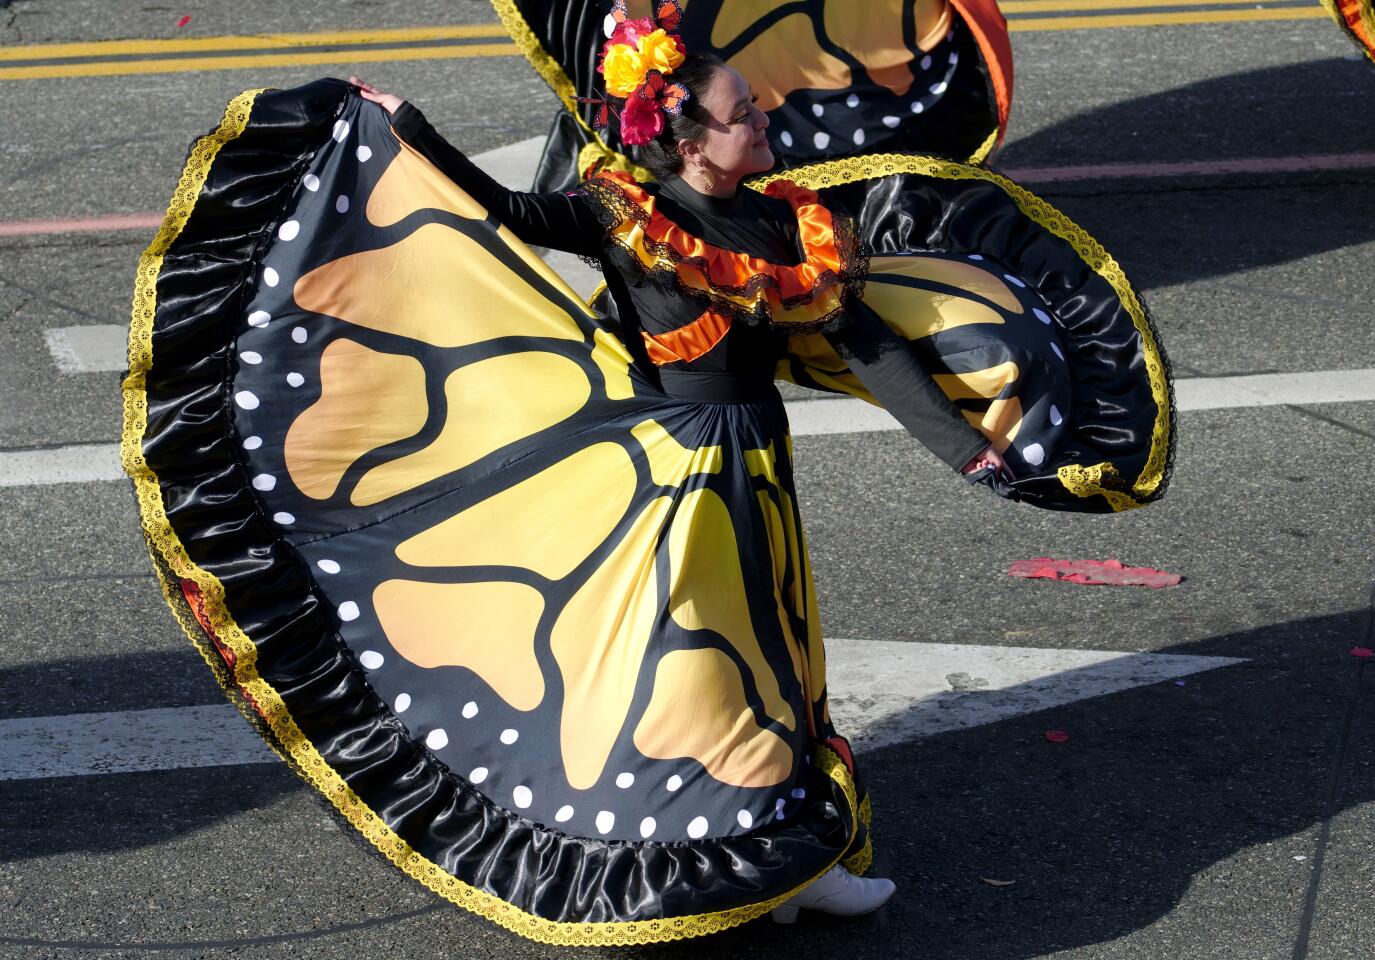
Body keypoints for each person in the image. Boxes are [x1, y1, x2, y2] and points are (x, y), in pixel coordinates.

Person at [343, 31, 1005, 924]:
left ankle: (786, 864)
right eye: (743, 114)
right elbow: (502, 210)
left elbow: (869, 345)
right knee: (697, 671)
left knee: (772, 662)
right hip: (675, 469)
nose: (764, 118)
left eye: (754, 106)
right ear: (691, 143)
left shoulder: (786, 224)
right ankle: (732, 861)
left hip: (754, 457)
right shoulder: (626, 213)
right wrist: (404, 124)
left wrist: (965, 446)